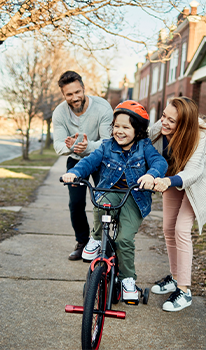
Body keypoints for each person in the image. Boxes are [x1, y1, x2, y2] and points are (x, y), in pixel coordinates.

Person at [61, 101, 168, 302]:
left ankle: (128, 280)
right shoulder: (106, 146)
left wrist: (151, 175)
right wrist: (74, 173)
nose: (119, 131)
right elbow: (88, 162)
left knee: (123, 240)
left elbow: (159, 162)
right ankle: (95, 238)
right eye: (116, 126)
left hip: (133, 198)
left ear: (138, 131)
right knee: (101, 204)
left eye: (126, 127)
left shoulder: (144, 146)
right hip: (110, 191)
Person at [149, 96, 206, 312]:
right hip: (171, 175)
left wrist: (167, 181)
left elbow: (194, 172)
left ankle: (185, 290)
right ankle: (175, 277)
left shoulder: (200, 137)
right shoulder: (161, 127)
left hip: (196, 182)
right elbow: (141, 138)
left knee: (181, 229)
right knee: (168, 227)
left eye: (172, 121)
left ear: (185, 124)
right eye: (163, 116)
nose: (164, 123)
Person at [53, 71, 113, 260]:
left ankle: (102, 243)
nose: (74, 97)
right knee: (76, 203)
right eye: (69, 94)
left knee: (103, 202)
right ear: (64, 95)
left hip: (100, 159)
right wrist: (69, 146)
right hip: (76, 161)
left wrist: (88, 147)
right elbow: (58, 145)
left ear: (84, 88)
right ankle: (82, 242)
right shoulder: (59, 113)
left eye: (77, 92)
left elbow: (108, 142)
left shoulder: (102, 107)